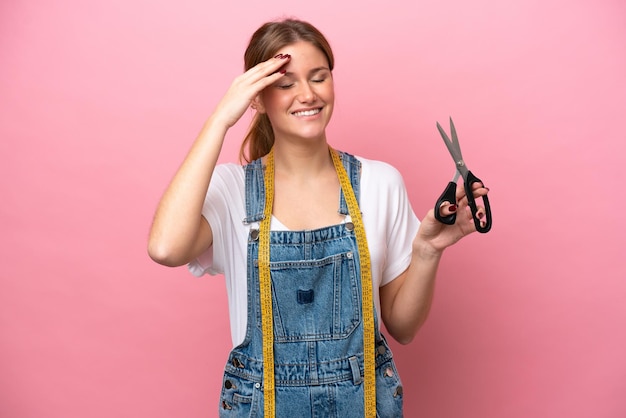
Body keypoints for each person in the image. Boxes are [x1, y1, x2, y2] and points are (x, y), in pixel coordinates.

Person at [148, 18, 488, 418]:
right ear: (256, 97)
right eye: (285, 83)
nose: (307, 95)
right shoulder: (230, 191)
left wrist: (428, 249)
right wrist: (221, 119)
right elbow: (165, 247)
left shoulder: (380, 183)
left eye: (319, 77)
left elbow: (404, 327)